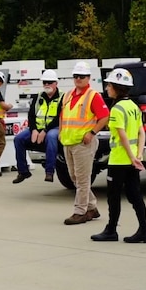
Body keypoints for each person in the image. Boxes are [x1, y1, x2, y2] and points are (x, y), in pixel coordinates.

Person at [91, 68, 146, 243]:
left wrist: (131, 157)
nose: (107, 88)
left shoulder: (117, 109)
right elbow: (142, 133)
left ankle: (111, 230)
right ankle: (144, 230)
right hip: (132, 160)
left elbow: (122, 135)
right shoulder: (134, 107)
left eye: (109, 85)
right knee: (135, 195)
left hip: (119, 160)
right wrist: (138, 155)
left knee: (114, 196)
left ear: (117, 87)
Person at [60, 61, 110, 225]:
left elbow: (104, 116)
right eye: (76, 76)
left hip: (84, 142)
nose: (78, 79)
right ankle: (91, 207)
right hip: (69, 141)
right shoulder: (67, 95)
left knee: (82, 179)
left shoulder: (93, 95)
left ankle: (80, 211)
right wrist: (61, 132)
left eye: (82, 76)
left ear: (88, 78)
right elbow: (63, 116)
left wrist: (92, 132)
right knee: (75, 177)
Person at [12, 69, 61, 184]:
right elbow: (31, 115)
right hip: (37, 129)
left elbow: (59, 118)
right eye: (45, 82)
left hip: (54, 128)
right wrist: (34, 130)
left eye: (49, 82)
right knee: (18, 139)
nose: (47, 85)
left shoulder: (62, 97)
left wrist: (44, 131)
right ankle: (23, 171)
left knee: (51, 137)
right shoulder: (38, 97)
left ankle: (49, 172)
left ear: (56, 83)